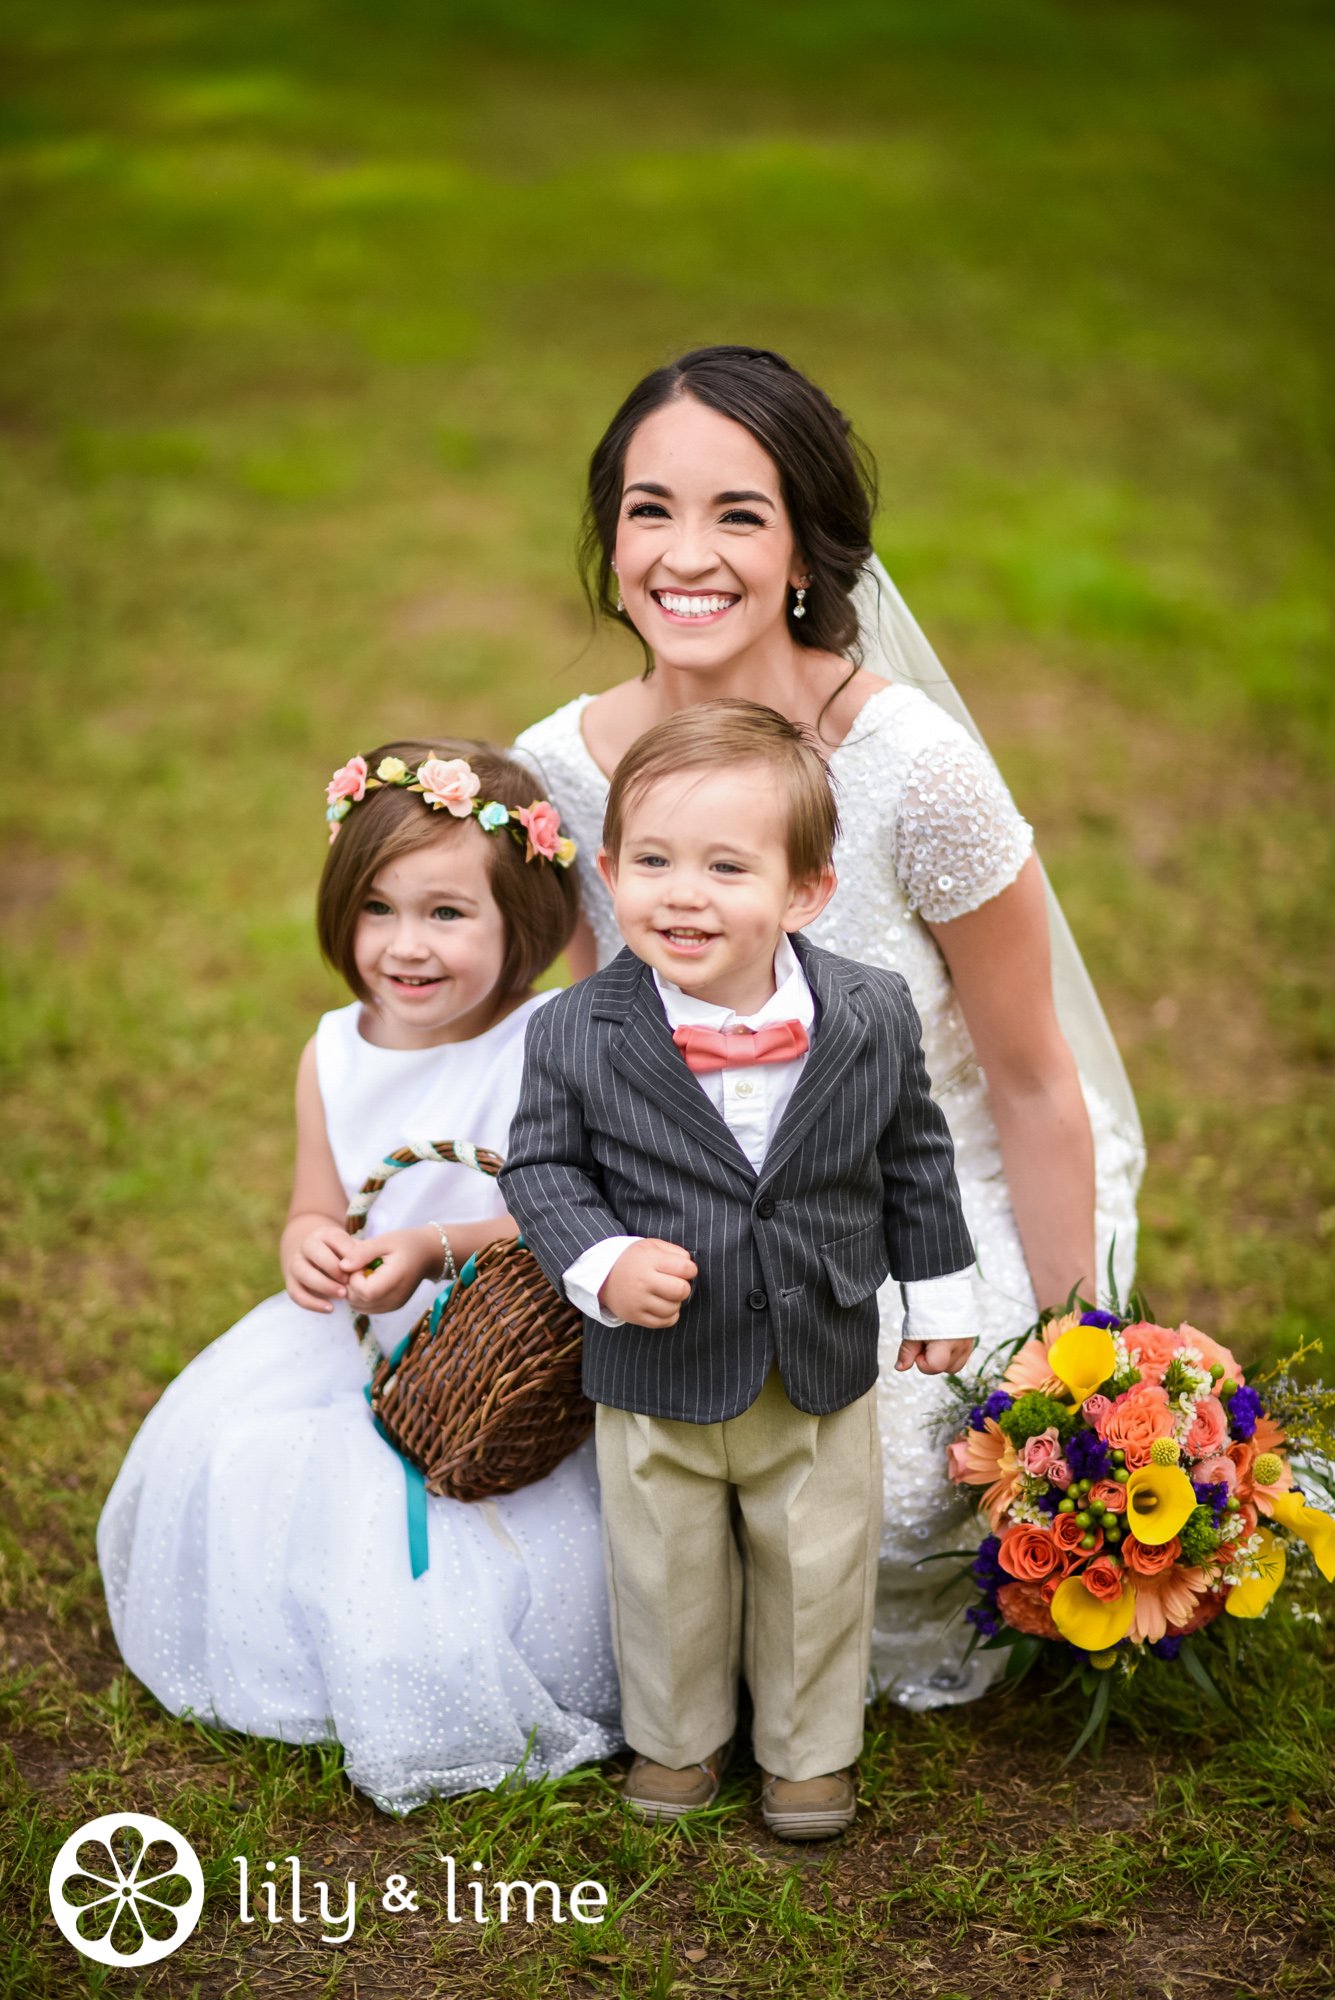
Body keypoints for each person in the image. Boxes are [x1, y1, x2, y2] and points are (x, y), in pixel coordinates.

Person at [514, 344, 1145, 1707]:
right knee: (582, 1490)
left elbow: (1036, 1085)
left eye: (736, 513)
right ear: (608, 538)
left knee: (883, 1484)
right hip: (676, 1224)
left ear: (802, 550)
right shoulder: (561, 771)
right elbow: (574, 1052)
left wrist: (1072, 1362)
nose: (686, 554)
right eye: (647, 509)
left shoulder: (908, 768)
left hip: (916, 1224)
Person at [97, 741, 622, 1813]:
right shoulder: (334, 1049)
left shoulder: (546, 1039)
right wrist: (307, 1243)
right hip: (358, 1346)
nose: (404, 945)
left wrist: (434, 1247)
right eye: (377, 908)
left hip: (500, 1346)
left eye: (445, 913)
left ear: (522, 916)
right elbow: (313, 1197)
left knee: (509, 1530)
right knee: (260, 1470)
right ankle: (307, 1654)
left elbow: (563, 1206)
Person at [501, 702, 977, 1839]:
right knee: (664, 1569)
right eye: (654, 861)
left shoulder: (866, 1010)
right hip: (655, 1368)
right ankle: (676, 1739)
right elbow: (542, 1168)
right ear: (609, 874)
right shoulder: (575, 1028)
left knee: (818, 1563)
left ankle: (809, 1754)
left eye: (727, 865)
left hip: (817, 1353)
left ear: (806, 890)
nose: (684, 893)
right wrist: (604, 1262)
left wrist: (940, 1290)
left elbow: (912, 1152)